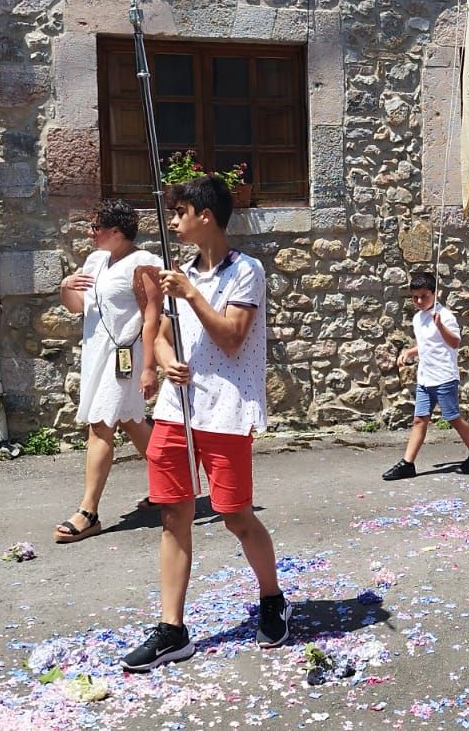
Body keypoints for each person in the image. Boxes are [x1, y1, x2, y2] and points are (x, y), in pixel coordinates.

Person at [121, 176, 288, 672]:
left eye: (180, 212)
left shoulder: (246, 272)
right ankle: (173, 629)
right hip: (177, 409)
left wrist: (192, 293)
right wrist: (166, 358)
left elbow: (232, 338)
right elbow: (162, 334)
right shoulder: (182, 273)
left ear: (205, 216)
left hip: (227, 408)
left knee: (235, 514)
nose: (173, 222)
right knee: (173, 515)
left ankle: (272, 597)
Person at [55, 200, 162, 543]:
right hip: (98, 355)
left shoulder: (144, 263)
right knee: (132, 421)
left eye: (95, 227)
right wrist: (65, 287)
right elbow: (79, 308)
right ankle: (177, 481)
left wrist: (149, 368)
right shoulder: (96, 261)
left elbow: (151, 316)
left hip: (127, 357)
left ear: (115, 231)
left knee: (100, 423)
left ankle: (88, 512)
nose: (90, 233)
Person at [383, 271, 469, 480]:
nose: (420, 301)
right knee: (419, 420)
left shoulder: (445, 316)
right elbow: (426, 345)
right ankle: (407, 463)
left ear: (434, 293)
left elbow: (454, 343)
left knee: (453, 418)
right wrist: (409, 352)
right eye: (415, 297)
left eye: (424, 296)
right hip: (425, 377)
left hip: (444, 376)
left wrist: (439, 325)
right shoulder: (417, 318)